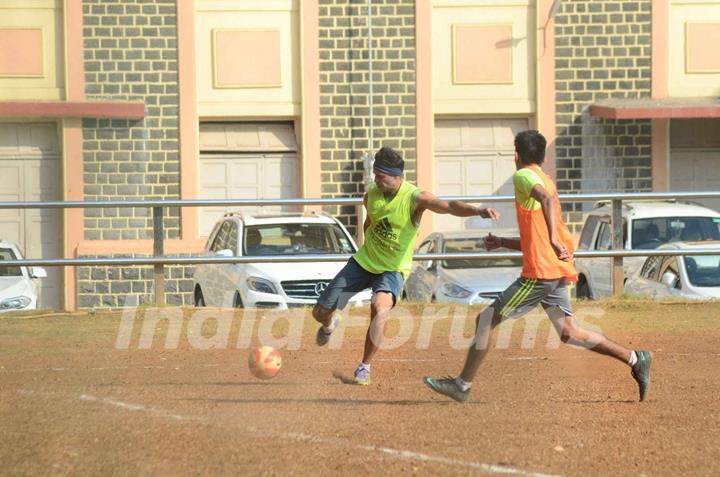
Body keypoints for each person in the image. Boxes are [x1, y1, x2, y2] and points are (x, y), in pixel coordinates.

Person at [423, 130, 653, 402]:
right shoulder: (546, 178)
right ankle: (636, 358)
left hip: (541, 274)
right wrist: (504, 242)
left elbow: (546, 202)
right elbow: (539, 233)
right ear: (543, 157)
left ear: (516, 156)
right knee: (569, 333)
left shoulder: (523, 176)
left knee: (485, 319)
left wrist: (554, 238)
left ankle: (461, 385)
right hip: (554, 269)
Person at [312, 146, 500, 385]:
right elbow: (369, 222)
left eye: (381, 176)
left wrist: (479, 210)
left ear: (397, 176)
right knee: (319, 312)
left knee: (380, 309)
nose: (376, 180)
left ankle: (364, 367)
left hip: (393, 268)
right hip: (363, 262)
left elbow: (449, 206)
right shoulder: (371, 194)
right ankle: (329, 324)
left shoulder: (415, 198)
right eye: (375, 175)